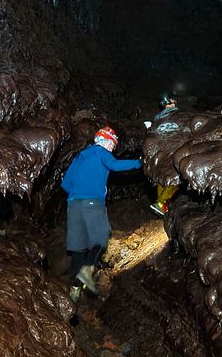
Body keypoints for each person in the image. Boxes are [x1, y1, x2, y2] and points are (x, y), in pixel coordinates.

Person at [61, 127, 142, 302]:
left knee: (78, 248)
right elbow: (115, 165)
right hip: (92, 203)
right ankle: (87, 269)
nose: (112, 149)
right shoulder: (100, 152)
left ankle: (74, 290)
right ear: (106, 141)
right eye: (112, 145)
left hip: (73, 205)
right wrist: (139, 163)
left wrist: (78, 192)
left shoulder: (80, 156)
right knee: (101, 238)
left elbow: (65, 183)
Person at [150, 93, 181, 217]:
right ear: (169, 101)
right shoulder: (177, 114)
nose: (175, 101)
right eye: (173, 99)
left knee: (162, 177)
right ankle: (161, 202)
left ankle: (162, 205)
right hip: (173, 149)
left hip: (160, 151)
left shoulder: (157, 117)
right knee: (176, 178)